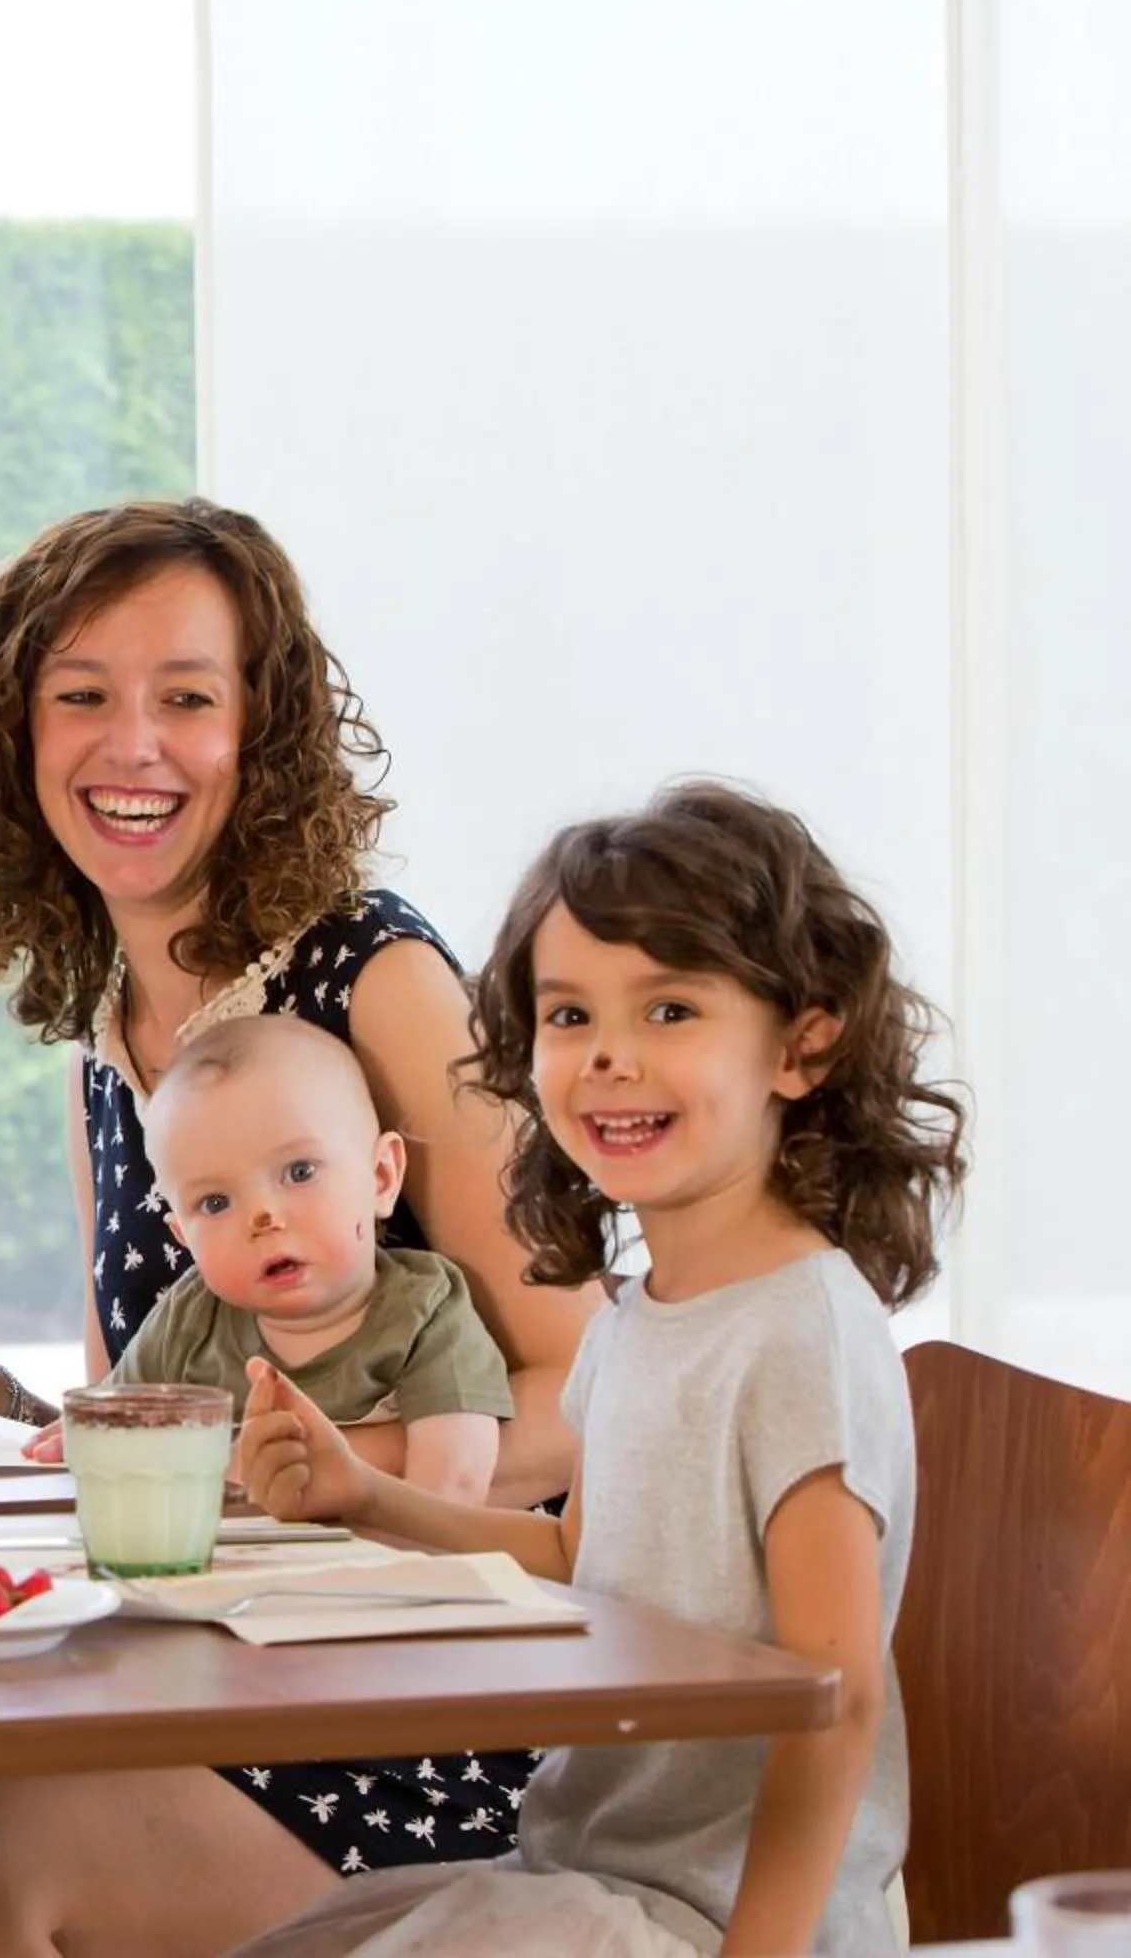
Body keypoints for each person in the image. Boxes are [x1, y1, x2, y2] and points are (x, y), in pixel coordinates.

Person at [0, 498, 591, 1955]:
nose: (134, 746)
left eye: (188, 698)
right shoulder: (107, 1039)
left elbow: (591, 1392)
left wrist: (333, 1475)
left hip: (425, 1712)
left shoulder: (378, 980)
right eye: (82, 699)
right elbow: (152, 1408)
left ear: (263, 735)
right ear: (15, 739)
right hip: (209, 1665)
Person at [233, 781, 961, 1954]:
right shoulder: (641, 1316)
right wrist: (367, 1497)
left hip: (726, 1915)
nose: (609, 1056)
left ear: (804, 1040)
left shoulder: (798, 1335)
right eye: (569, 1016)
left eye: (671, 1009)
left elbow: (837, 1696)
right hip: (585, 1864)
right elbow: (588, 1556)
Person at [116, 1013, 512, 1507]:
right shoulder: (190, 1319)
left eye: (299, 1171)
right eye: (215, 1203)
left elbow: (453, 1487)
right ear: (183, 1237)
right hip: (223, 1572)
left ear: (382, 1177)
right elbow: (115, 1431)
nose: (263, 1217)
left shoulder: (424, 1312)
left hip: (379, 1570)